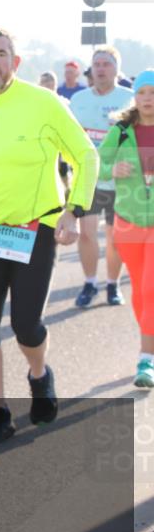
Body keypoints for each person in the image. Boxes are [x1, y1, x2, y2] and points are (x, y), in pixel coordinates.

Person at [0, 26, 97, 443]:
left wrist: (74, 209)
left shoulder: (44, 103)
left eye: (0, 53)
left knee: (27, 325)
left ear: (15, 62)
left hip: (37, 229)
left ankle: (39, 373)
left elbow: (85, 155)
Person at [96, 69, 154, 386]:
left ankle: (146, 360)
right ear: (135, 96)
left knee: (150, 289)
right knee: (140, 294)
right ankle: (151, 339)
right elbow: (97, 164)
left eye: (153, 93)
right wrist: (113, 168)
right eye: (143, 92)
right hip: (128, 223)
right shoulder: (120, 130)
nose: (147, 99)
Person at [69, 47, 135, 307]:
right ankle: (89, 282)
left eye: (106, 64)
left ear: (117, 69)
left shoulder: (130, 99)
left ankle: (112, 283)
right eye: (96, 64)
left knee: (114, 236)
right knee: (86, 233)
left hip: (121, 180)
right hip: (88, 179)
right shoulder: (79, 99)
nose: (100, 68)